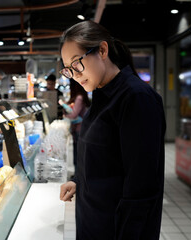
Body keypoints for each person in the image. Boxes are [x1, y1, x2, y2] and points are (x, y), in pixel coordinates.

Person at [59, 21, 166, 240]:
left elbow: (141, 185)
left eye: (77, 63)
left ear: (103, 50)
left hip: (116, 229)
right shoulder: (100, 95)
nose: (75, 74)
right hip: (92, 221)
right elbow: (106, 158)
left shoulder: (136, 98)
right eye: (68, 70)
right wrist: (79, 181)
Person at [62, 79, 90, 176]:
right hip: (79, 130)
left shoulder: (79, 98)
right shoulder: (81, 97)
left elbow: (74, 115)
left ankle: (78, 177)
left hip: (79, 130)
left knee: (78, 155)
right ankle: (78, 176)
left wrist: (65, 117)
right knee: (78, 154)